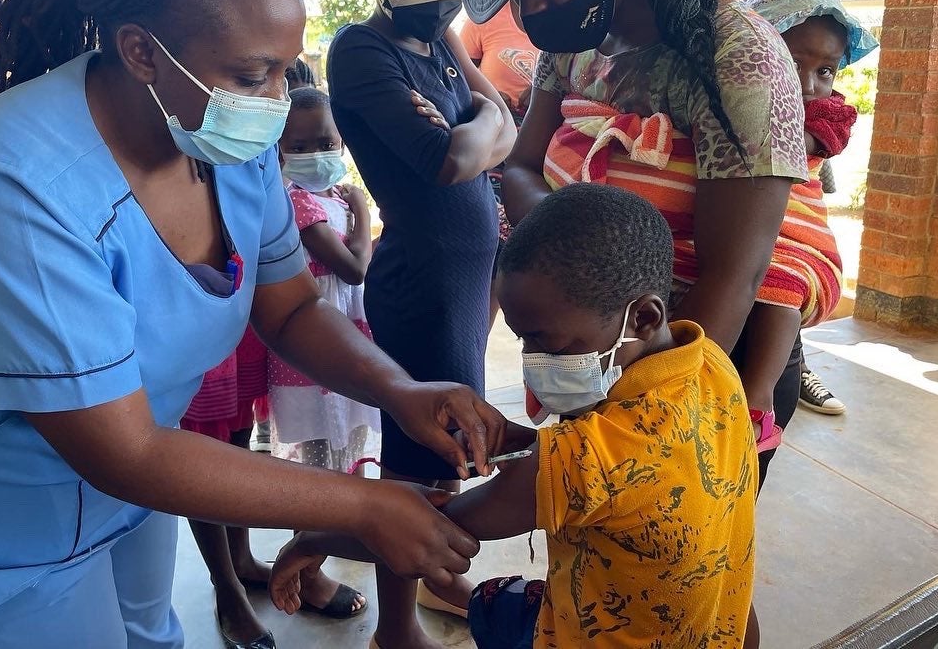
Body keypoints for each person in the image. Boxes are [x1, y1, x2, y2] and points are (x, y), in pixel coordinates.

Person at [0, 0, 509, 649]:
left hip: (143, 475)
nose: (277, 101)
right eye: (253, 78)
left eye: (286, 70)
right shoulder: (11, 185)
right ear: (142, 50)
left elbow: (289, 308)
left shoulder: (221, 140)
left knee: (154, 632)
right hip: (6, 517)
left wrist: (399, 389)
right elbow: (125, 451)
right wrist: (361, 507)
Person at [442, 0, 833, 644]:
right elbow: (516, 170)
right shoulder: (577, 44)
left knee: (700, 581)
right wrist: (581, 257)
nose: (532, 6)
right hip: (598, 346)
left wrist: (609, 429)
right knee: (610, 576)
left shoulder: (741, 60)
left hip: (689, 374)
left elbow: (731, 284)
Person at [268, 184, 758, 649]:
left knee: (494, 604)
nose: (532, 359)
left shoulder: (587, 459)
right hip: (712, 628)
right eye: (521, 338)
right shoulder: (709, 364)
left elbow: (427, 527)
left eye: (548, 341)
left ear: (643, 318)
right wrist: (523, 445)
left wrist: (314, 540)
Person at [325, 0, 516, 649]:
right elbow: (451, 159)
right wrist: (479, 128)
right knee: (421, 463)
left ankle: (434, 580)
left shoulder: (439, 39)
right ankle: (396, 630)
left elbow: (497, 109)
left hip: (468, 284)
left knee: (448, 456)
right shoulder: (361, 51)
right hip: (424, 286)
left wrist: (481, 122)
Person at [747, 0, 879, 416]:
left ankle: (758, 395)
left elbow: (816, 137)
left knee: (785, 287)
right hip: (737, 228)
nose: (808, 85)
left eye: (825, 70)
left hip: (789, 230)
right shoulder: (721, 90)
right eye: (793, 62)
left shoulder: (828, 110)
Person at [269, 86, 380, 476]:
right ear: (279, 149)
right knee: (320, 463)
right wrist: (363, 212)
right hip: (318, 338)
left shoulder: (333, 197)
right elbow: (354, 268)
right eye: (298, 147)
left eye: (325, 142)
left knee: (351, 441)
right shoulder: (297, 200)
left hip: (345, 328)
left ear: (342, 140)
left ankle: (350, 531)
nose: (314, 154)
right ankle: (316, 535)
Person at [178, 327, 278, 645]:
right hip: (190, 313)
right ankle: (226, 584)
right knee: (199, 445)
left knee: (239, 427)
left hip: (241, 315)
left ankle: (241, 559)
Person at [460, 2, 540, 324]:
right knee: (490, 246)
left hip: (541, 150)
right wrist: (494, 104)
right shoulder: (485, 18)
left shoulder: (563, 15)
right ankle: (477, 336)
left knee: (521, 254)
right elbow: (458, 81)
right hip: (494, 150)